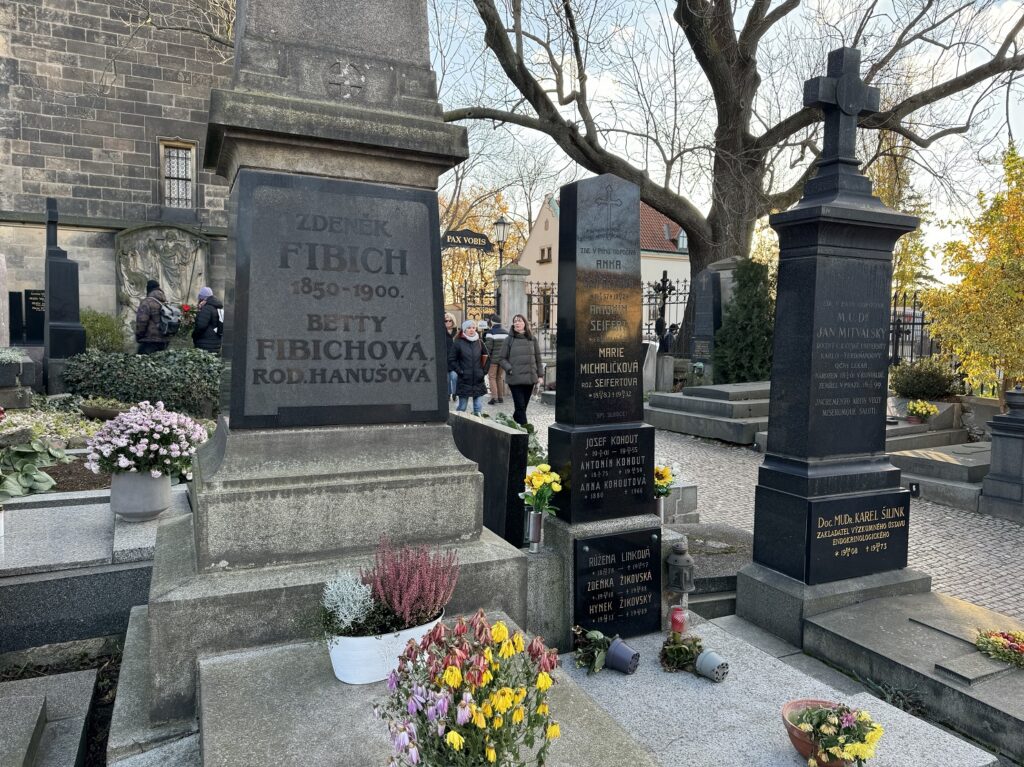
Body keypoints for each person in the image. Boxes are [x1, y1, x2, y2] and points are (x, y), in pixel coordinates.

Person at [494, 313, 543, 426]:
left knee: (522, 408)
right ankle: (525, 433)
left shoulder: (532, 339)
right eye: (515, 321)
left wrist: (540, 375)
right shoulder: (509, 339)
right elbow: (501, 359)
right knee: (520, 406)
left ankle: (512, 428)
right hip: (515, 378)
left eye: (519, 321)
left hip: (529, 379)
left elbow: (538, 359)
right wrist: (509, 369)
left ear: (525, 323)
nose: (517, 323)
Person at [448, 320, 487, 415]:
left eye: (473, 328)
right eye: (469, 328)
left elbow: (487, 357)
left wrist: (483, 372)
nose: (471, 330)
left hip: (478, 380)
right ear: (464, 330)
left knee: (478, 408)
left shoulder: (480, 342)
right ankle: (457, 425)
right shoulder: (458, 342)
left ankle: (477, 428)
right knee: (462, 407)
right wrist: (460, 371)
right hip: (464, 380)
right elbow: (451, 359)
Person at [135, 279, 169, 355]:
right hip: (164, 341)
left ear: (148, 289)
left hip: (149, 341)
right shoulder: (164, 302)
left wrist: (138, 336)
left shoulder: (146, 302)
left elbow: (142, 321)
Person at [484, 313, 509, 405]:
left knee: (492, 377)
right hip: (503, 360)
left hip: (493, 360)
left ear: (492, 322)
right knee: (499, 377)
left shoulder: (490, 332)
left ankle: (494, 397)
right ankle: (500, 397)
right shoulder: (506, 332)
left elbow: (488, 347)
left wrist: (486, 358)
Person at [191, 286, 224, 354]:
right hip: (215, 343)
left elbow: (200, 326)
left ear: (202, 298)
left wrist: (194, 335)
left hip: (205, 344)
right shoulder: (216, 307)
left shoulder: (207, 309)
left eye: (200, 298)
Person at [443, 312, 459, 402]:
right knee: (447, 379)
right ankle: (448, 394)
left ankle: (455, 393)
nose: (448, 322)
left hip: (454, 361)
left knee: (454, 377)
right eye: (446, 321)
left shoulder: (457, 333)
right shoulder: (441, 333)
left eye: (450, 320)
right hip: (445, 359)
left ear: (453, 321)